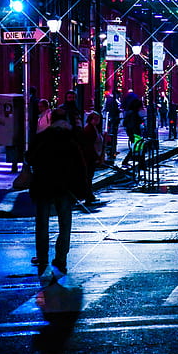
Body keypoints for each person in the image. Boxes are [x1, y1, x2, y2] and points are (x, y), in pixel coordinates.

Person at [25, 108, 88, 278]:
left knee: (42, 224)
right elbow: (80, 165)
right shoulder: (70, 138)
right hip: (65, 187)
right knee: (65, 224)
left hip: (43, 185)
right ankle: (61, 258)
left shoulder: (42, 137)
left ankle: (43, 257)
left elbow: (30, 158)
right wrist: (83, 189)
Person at [81, 111, 104, 204]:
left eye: (98, 119)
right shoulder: (89, 129)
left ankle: (89, 195)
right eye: (95, 119)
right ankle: (88, 195)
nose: (97, 121)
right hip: (90, 156)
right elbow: (89, 145)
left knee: (90, 176)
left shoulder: (93, 128)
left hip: (93, 155)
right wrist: (96, 156)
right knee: (88, 176)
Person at [103, 90, 120, 161]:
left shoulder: (108, 100)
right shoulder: (113, 100)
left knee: (111, 134)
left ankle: (112, 150)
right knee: (112, 134)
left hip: (111, 118)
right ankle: (111, 150)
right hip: (112, 119)